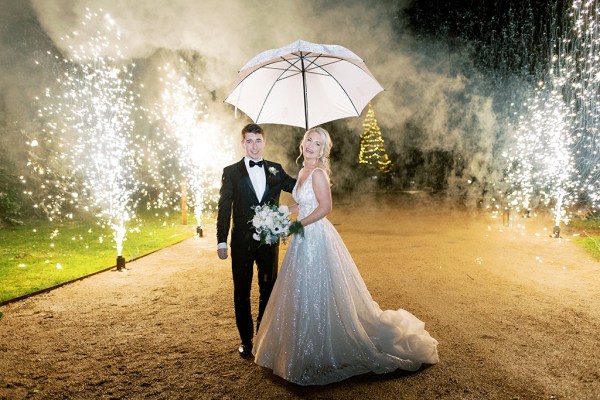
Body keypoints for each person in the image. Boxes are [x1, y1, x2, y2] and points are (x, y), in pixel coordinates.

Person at [252, 127, 439, 385]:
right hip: (303, 235)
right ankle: (299, 348)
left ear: (322, 151)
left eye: (317, 144)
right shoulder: (303, 171)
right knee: (300, 290)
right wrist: (282, 213)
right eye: (308, 140)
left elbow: (326, 208)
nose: (310, 145)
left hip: (315, 237)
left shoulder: (318, 173)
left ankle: (320, 347)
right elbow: (304, 204)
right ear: (302, 142)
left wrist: (298, 225)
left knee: (318, 289)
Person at [217, 123, 296, 358]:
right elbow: (224, 208)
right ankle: (246, 340)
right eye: (249, 141)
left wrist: (314, 171)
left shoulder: (276, 169)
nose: (254, 146)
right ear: (243, 143)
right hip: (241, 242)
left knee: (268, 289)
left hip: (268, 241)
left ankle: (263, 335)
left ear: (264, 142)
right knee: (241, 291)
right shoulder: (231, 171)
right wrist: (221, 240)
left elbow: (297, 187)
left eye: (258, 140)